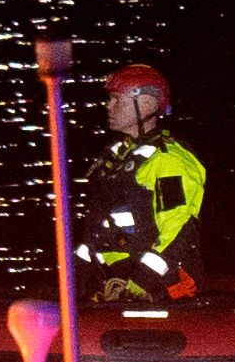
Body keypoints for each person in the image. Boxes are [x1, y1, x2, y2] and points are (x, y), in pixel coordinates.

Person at [76, 63, 207, 305]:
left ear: (147, 103)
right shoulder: (118, 157)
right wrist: (77, 275)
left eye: (118, 100)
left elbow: (178, 228)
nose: (109, 106)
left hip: (161, 282)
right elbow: (97, 230)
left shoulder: (168, 160)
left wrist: (141, 283)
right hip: (115, 277)